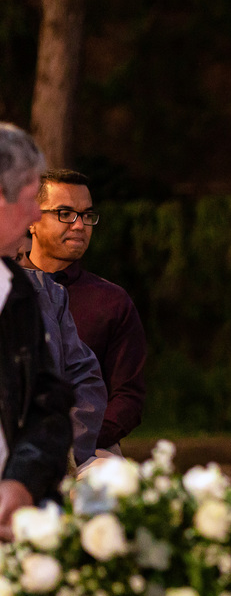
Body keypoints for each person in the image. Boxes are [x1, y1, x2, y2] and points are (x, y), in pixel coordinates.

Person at [23, 169, 145, 458]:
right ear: (31, 220)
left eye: (86, 215)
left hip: (91, 449)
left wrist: (76, 444)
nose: (79, 225)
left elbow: (128, 397)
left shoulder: (111, 301)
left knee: (110, 481)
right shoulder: (8, 289)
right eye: (65, 213)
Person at [0, 123, 73, 537]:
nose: (35, 218)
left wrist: (22, 482)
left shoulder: (18, 293)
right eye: (31, 200)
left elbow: (48, 405)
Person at [24, 267, 106, 470]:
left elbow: (83, 376)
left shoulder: (47, 290)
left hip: (52, 449)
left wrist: (67, 447)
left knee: (115, 477)